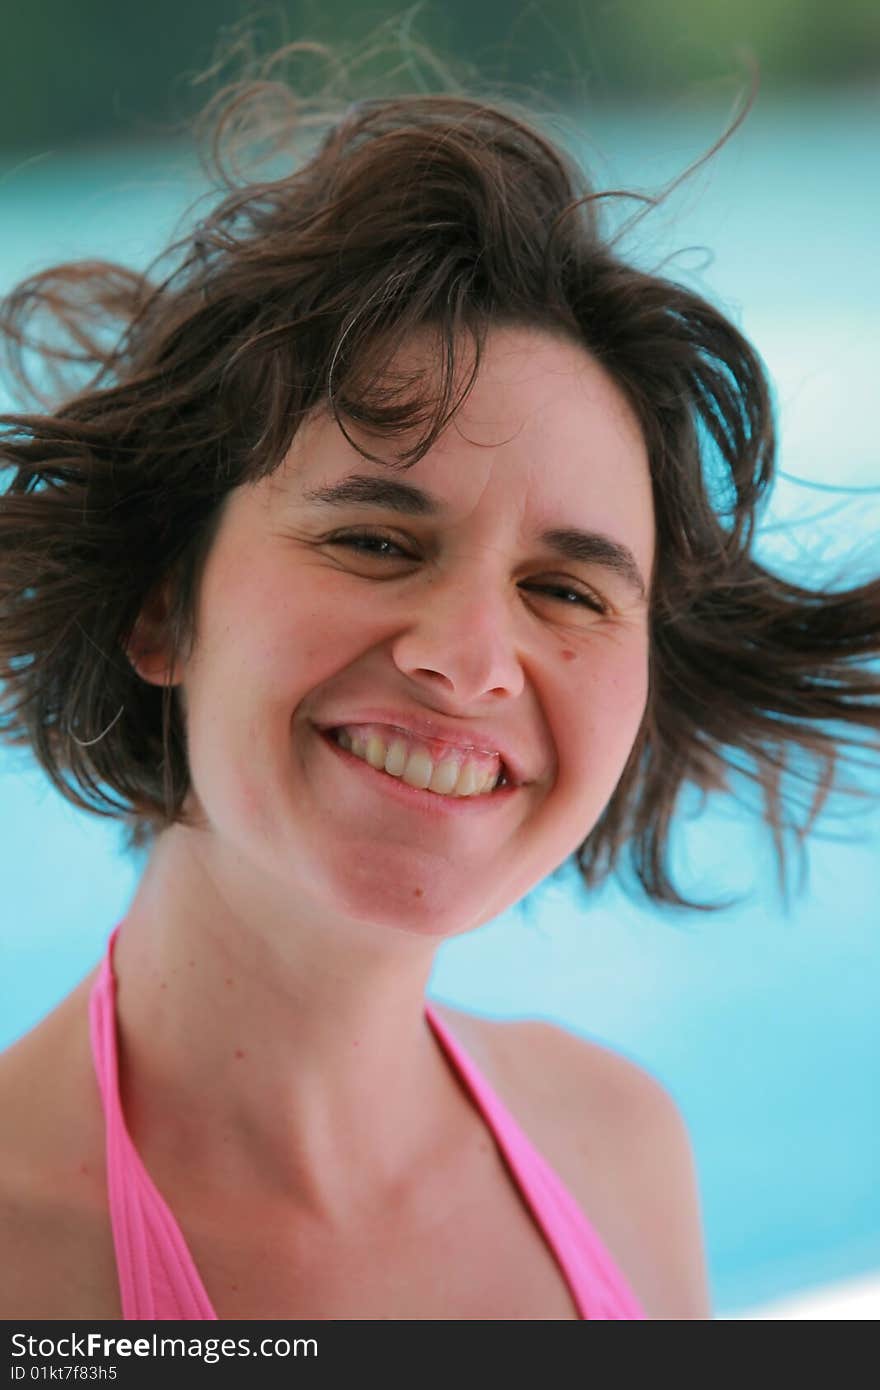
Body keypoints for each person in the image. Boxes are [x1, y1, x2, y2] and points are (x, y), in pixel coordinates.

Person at [0, 40, 878, 1322]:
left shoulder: (620, 1153)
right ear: (162, 605)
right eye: (374, 541)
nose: (467, 660)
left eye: (566, 590)